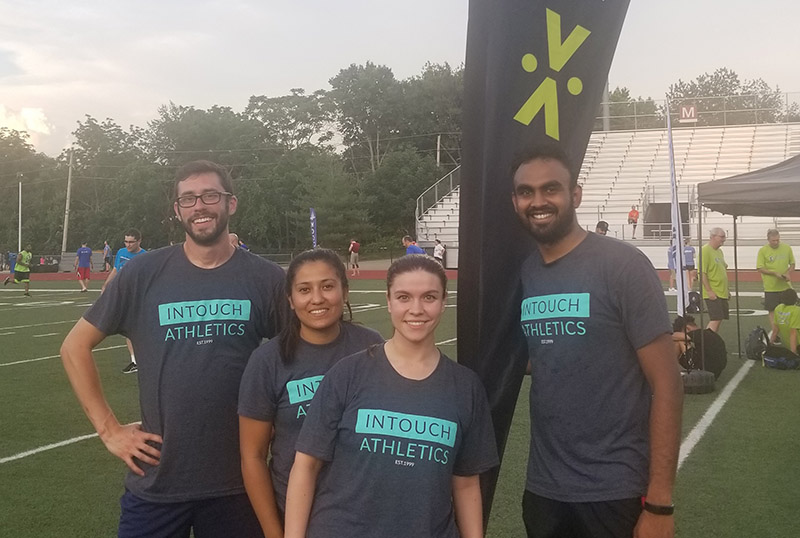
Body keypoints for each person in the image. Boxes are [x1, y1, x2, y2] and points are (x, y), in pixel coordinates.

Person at [60, 160, 287, 538]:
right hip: (157, 481)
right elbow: (74, 347)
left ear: (231, 204)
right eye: (188, 199)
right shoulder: (143, 273)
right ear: (177, 210)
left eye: (210, 195)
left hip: (240, 483)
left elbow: (303, 356)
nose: (199, 206)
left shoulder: (266, 279)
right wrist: (109, 430)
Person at [510, 145, 682, 538]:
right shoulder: (526, 272)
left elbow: (667, 384)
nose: (538, 201)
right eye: (526, 192)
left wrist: (659, 502)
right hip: (544, 489)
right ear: (515, 200)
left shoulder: (623, 264)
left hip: (616, 490)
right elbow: (545, 355)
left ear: (575, 194)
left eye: (550, 189)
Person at [285, 255, 499, 538]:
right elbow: (305, 465)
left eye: (429, 297)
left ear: (444, 301)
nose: (416, 309)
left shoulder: (465, 387)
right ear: (389, 301)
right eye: (403, 297)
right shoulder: (348, 374)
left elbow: (466, 483)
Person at [238, 248, 383, 537]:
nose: (317, 298)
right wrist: (273, 531)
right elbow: (252, 456)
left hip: (365, 513)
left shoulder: (372, 347)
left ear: (345, 291)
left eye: (327, 286)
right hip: (298, 517)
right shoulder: (268, 361)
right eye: (304, 290)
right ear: (291, 300)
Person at [102, 229, 147, 374]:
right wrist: (106, 284)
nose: (128, 245)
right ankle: (135, 361)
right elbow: (115, 269)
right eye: (126, 241)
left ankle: (143, 360)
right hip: (123, 295)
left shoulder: (144, 256)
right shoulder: (121, 252)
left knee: (138, 331)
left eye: (131, 242)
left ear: (139, 241)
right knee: (128, 331)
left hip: (137, 298)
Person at [757, 229, 795, 334]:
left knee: (791, 309)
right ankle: (775, 332)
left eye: (778, 240)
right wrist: (774, 273)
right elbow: (760, 268)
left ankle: (790, 331)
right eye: (773, 240)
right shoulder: (763, 250)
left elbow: (792, 264)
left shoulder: (787, 248)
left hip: (785, 287)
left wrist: (787, 273)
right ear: (768, 239)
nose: (776, 242)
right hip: (771, 287)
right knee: (772, 311)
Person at [701, 228, 729, 333]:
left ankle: (712, 342)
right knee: (715, 319)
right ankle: (707, 342)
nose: (724, 239)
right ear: (713, 237)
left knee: (719, 318)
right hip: (713, 292)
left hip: (721, 292)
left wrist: (726, 290)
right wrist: (709, 291)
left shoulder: (719, 252)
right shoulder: (705, 251)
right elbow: (702, 273)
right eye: (721, 237)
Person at [769, 288, 800, 357]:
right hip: (797, 346)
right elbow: (793, 333)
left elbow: (775, 331)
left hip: (789, 345)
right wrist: (793, 354)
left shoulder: (778, 308)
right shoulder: (797, 311)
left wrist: (770, 345)